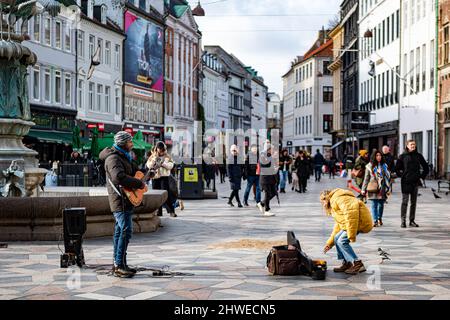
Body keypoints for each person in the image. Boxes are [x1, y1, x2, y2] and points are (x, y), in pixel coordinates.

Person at [100, 131, 147, 278]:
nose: (132, 144)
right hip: (119, 199)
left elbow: (135, 172)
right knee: (126, 230)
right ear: (123, 143)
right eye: (129, 142)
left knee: (120, 231)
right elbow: (118, 177)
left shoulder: (124, 157)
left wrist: (148, 169)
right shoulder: (113, 158)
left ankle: (120, 263)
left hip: (125, 199)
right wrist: (139, 183)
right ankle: (119, 265)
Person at [321, 189, 373, 275]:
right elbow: (338, 225)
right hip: (351, 223)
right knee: (337, 238)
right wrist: (329, 243)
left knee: (342, 241)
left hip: (359, 222)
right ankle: (347, 262)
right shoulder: (334, 202)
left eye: (323, 201)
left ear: (326, 198)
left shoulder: (340, 199)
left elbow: (352, 216)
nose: (323, 204)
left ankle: (357, 263)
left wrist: (351, 234)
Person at [395, 140, 429, 228]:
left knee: (413, 202)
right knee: (405, 202)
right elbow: (396, 169)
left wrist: (421, 176)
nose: (413, 146)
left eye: (414, 144)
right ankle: (403, 221)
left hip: (415, 182)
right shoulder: (402, 156)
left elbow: (426, 167)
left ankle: (412, 220)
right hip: (406, 182)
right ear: (407, 146)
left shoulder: (419, 156)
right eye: (411, 144)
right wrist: (402, 175)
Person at [361, 150, 392, 227]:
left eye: (380, 155)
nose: (379, 157)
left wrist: (389, 188)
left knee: (381, 204)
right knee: (374, 204)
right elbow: (366, 178)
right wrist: (363, 189)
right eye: (377, 155)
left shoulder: (384, 166)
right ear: (374, 157)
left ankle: (379, 218)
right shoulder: (369, 166)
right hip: (373, 187)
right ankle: (375, 220)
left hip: (382, 188)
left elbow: (388, 178)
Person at [147, 141, 177, 217]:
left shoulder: (167, 156)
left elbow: (171, 165)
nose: (160, 151)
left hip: (164, 177)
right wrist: (154, 161)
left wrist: (163, 164)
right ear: (156, 149)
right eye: (159, 149)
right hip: (155, 177)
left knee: (166, 195)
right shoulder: (152, 156)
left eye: (162, 150)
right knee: (156, 195)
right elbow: (148, 165)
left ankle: (171, 211)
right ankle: (158, 211)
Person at [258, 143, 277, 217]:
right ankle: (267, 210)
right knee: (267, 193)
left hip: (271, 177)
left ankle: (262, 203)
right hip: (265, 178)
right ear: (268, 149)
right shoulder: (263, 156)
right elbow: (264, 165)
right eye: (272, 149)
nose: (273, 151)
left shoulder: (270, 156)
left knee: (274, 193)